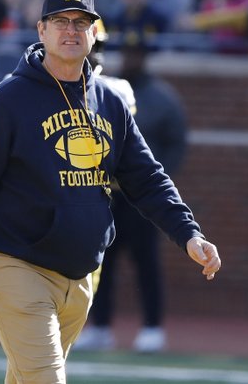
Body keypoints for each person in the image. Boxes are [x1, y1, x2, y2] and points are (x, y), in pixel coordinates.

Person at [0, 0, 221, 384]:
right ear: (41, 30)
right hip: (15, 264)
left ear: (94, 34)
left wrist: (189, 234)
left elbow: (147, 178)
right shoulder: (5, 100)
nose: (71, 31)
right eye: (60, 21)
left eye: (81, 23)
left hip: (79, 277)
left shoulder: (109, 101)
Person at [76, 36, 188, 353]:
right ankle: (100, 327)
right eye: (126, 52)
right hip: (107, 195)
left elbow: (176, 142)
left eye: (136, 53)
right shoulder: (105, 90)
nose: (130, 58)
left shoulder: (161, 97)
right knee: (101, 264)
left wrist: (153, 179)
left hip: (140, 200)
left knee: (147, 263)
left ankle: (152, 327)